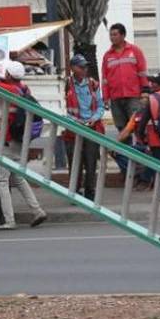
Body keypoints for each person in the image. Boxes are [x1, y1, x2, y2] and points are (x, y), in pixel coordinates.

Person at [0, 60, 48, 231]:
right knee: (18, 178)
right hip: (20, 141)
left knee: (2, 180)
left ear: (8, 75)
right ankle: (37, 210)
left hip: (6, 140)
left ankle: (9, 220)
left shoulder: (11, 91)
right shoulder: (24, 90)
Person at [117, 72, 160, 200]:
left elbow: (143, 122)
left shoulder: (152, 99)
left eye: (153, 82)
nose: (150, 84)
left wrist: (142, 139)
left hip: (157, 140)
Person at [101, 23, 150, 175]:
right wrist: (106, 97)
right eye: (111, 34)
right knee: (122, 130)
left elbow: (142, 72)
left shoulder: (134, 51)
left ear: (123, 35)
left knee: (136, 129)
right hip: (116, 98)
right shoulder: (107, 55)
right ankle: (127, 169)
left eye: (115, 34)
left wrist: (145, 92)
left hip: (133, 96)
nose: (112, 37)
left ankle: (141, 169)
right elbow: (105, 79)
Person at [64, 53, 103, 200]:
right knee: (75, 162)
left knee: (91, 161)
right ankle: (74, 191)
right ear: (73, 68)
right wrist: (74, 120)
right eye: (81, 67)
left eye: (85, 66)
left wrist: (94, 118)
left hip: (91, 128)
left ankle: (90, 192)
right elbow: (63, 109)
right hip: (72, 129)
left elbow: (100, 105)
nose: (84, 69)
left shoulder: (93, 84)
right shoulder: (66, 84)